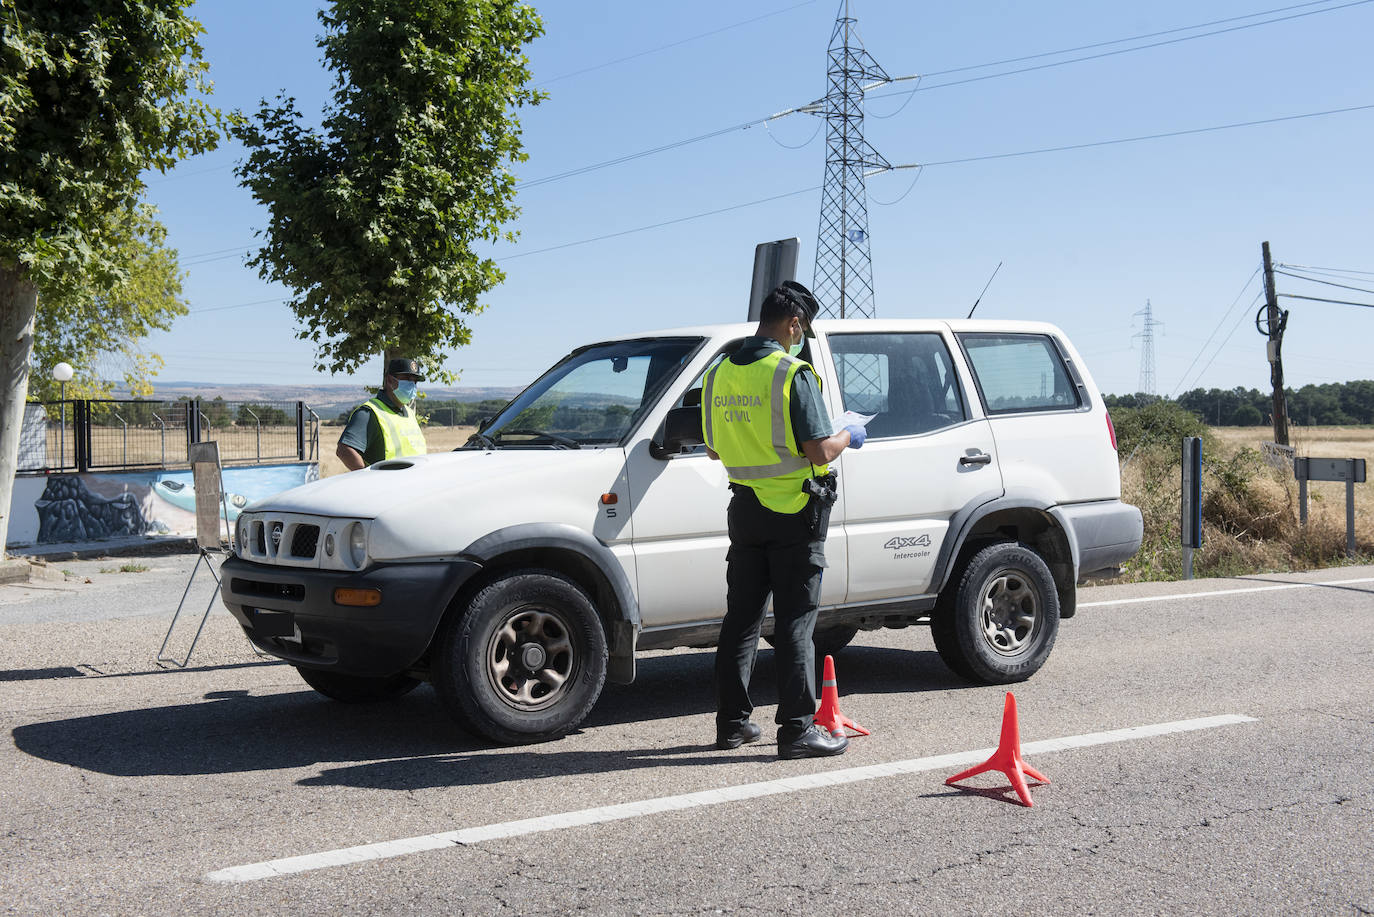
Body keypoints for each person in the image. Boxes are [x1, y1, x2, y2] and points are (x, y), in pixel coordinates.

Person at [701, 280, 867, 759]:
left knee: (742, 620)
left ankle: (731, 725)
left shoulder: (716, 374)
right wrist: (848, 435)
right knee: (796, 622)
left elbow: (713, 449)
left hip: (746, 509)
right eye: (802, 330)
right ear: (793, 323)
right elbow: (818, 449)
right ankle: (796, 730)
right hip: (796, 512)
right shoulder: (792, 373)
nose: (801, 339)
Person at [336, 357, 428, 471]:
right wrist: (368, 477)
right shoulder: (369, 412)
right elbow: (344, 450)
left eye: (414, 381)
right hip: (387, 486)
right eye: (406, 379)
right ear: (389, 380)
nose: (411, 384)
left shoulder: (409, 413)